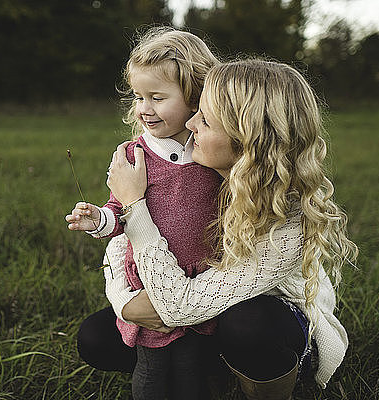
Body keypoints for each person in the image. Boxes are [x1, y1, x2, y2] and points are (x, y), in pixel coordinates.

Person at [100, 59, 358, 400]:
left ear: (246, 138)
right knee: (97, 337)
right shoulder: (203, 175)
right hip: (199, 313)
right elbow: (120, 245)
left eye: (205, 119)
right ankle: (208, 373)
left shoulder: (287, 220)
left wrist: (134, 205)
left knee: (247, 324)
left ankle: (273, 386)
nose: (190, 124)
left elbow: (179, 307)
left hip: (267, 326)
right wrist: (124, 302)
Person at [65, 26, 222, 399]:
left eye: (157, 97)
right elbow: (119, 211)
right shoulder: (136, 155)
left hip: (203, 282)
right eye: (138, 96)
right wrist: (99, 220)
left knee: (190, 367)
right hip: (152, 283)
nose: (144, 108)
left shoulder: (214, 150)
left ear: (195, 96)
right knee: (152, 369)